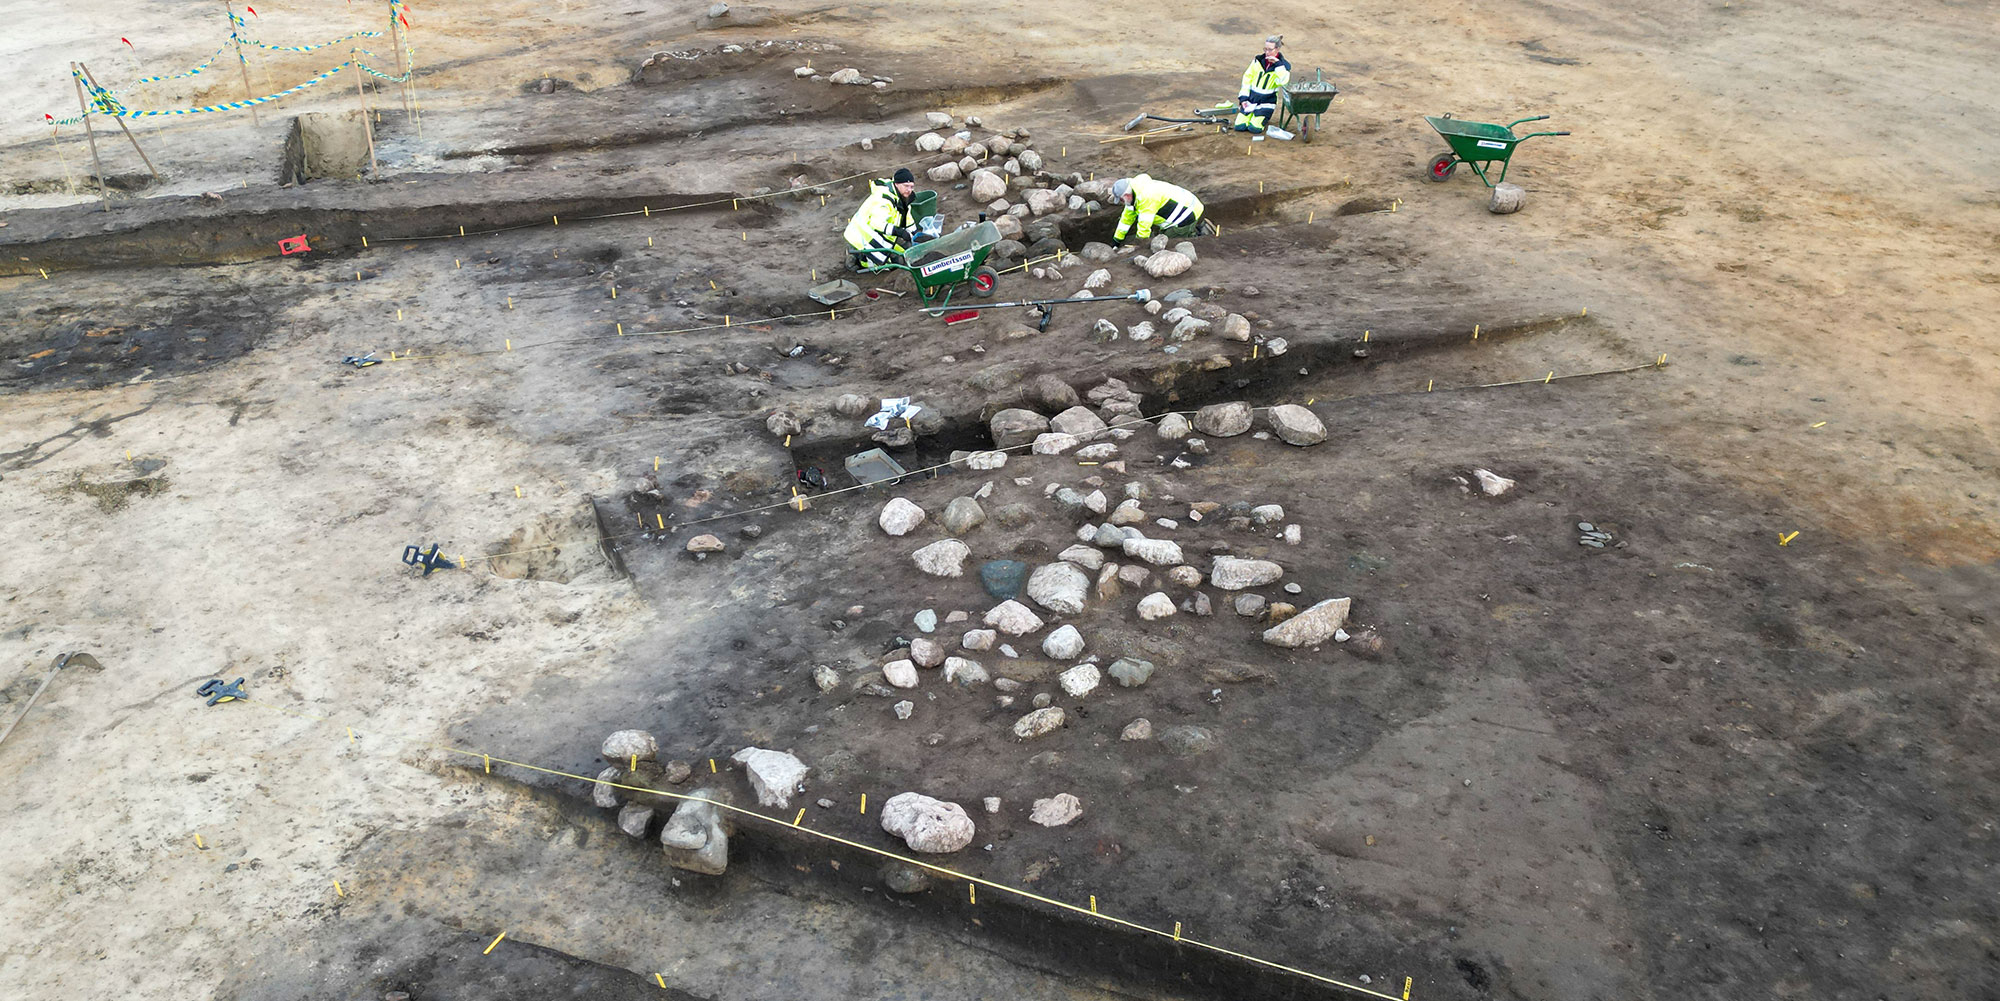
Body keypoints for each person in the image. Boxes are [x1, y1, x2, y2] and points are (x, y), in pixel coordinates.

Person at [844, 167, 919, 268]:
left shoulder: (903, 198)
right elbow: (877, 223)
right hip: (861, 238)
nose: (909, 190)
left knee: (903, 255)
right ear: (896, 184)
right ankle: (857, 258)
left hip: (877, 234)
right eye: (906, 186)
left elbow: (907, 219)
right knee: (888, 266)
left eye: (911, 187)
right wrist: (900, 232)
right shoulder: (884, 199)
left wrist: (916, 235)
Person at [1111, 174, 1207, 246]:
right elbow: (1126, 220)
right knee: (1160, 238)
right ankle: (1193, 230)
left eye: (1121, 199)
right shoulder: (1134, 194)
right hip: (1186, 207)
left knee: (1169, 245)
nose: (1121, 202)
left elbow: (1144, 226)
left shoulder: (1146, 197)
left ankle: (1200, 236)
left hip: (1187, 214)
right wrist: (1117, 240)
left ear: (1127, 195)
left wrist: (1140, 245)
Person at [1234, 34, 1292, 134]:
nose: (1267, 52)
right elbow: (1247, 79)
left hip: (1267, 102)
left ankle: (1261, 117)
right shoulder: (1258, 61)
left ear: (1277, 49)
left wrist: (1278, 65)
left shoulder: (1283, 66)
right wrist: (1243, 98)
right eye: (1265, 49)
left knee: (1254, 129)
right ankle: (1250, 114)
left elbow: (1283, 81)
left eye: (1270, 49)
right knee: (1240, 126)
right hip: (1250, 101)